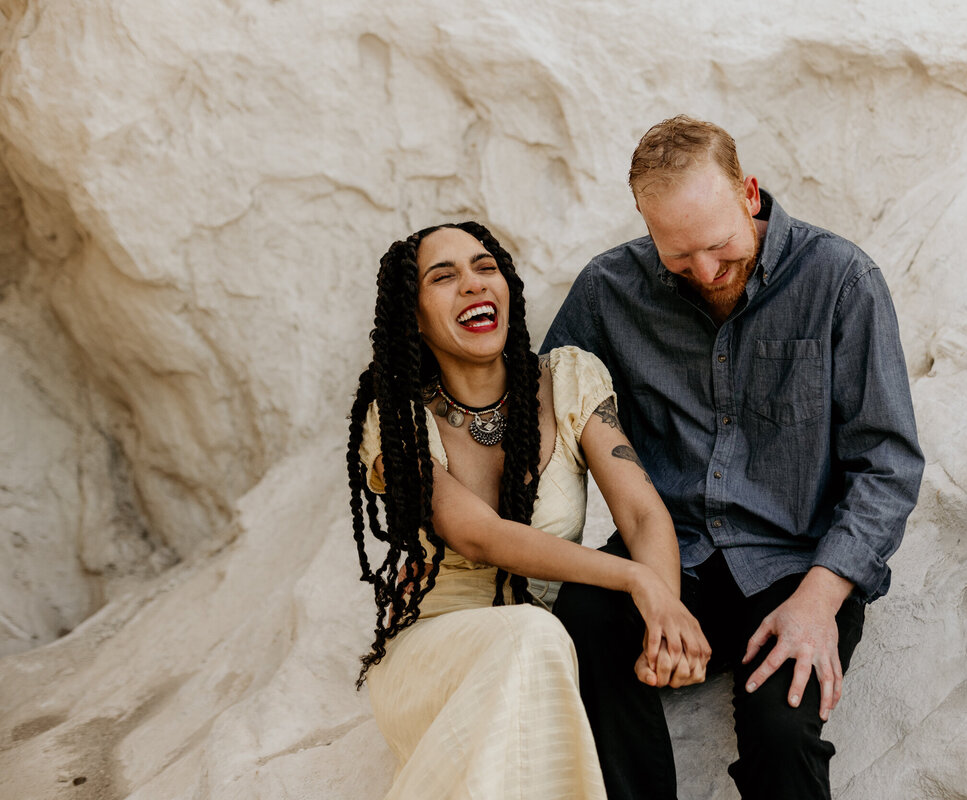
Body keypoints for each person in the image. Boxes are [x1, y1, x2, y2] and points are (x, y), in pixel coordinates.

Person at [541, 115, 925, 799]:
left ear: (748, 193)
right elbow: (544, 417)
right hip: (670, 560)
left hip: (796, 565)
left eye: (719, 247)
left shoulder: (841, 280)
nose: (707, 272)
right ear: (644, 221)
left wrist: (820, 600)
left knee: (782, 730)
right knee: (581, 630)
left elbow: (886, 466)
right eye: (678, 257)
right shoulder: (607, 291)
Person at [345, 220, 711, 800]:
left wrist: (661, 614)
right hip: (442, 651)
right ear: (413, 317)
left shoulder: (567, 378)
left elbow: (641, 512)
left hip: (543, 639)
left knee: (547, 633)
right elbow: (480, 536)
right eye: (443, 277)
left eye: (485, 268)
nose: (471, 284)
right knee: (533, 632)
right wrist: (633, 577)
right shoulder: (395, 419)